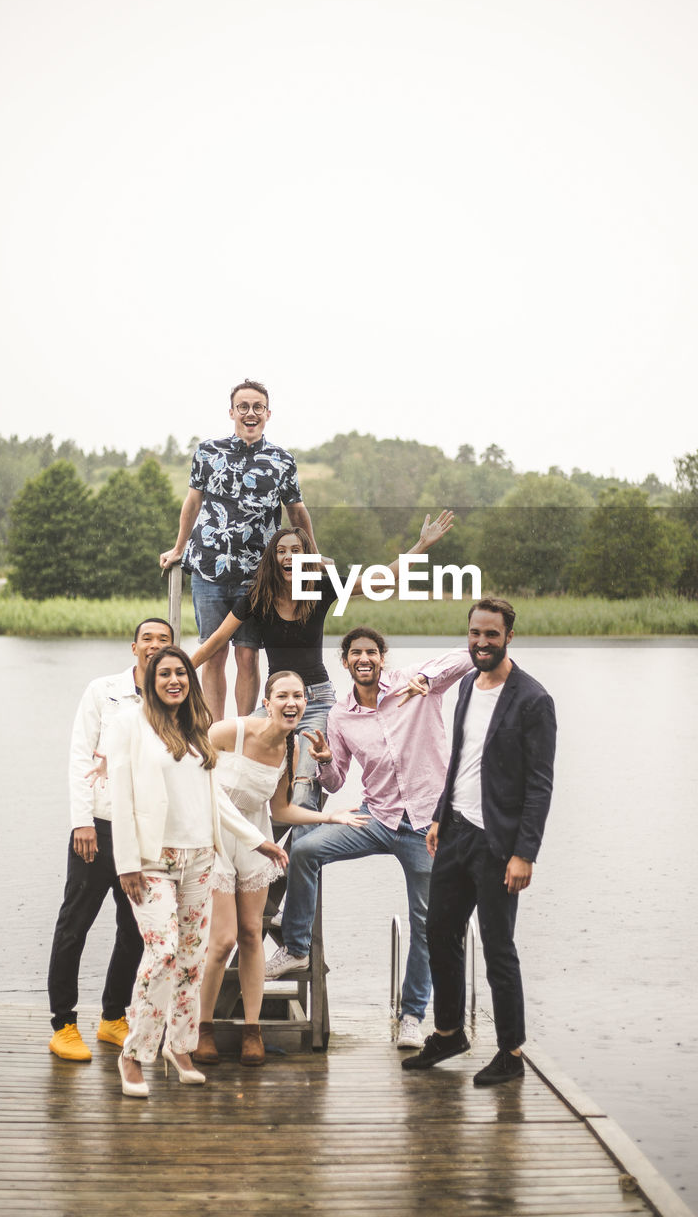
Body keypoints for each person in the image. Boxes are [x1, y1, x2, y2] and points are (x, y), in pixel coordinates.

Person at [265, 626, 473, 1050]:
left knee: (425, 923)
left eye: (371, 652)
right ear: (345, 661)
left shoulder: (414, 686)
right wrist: (323, 762)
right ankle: (297, 946)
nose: (364, 658)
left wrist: (431, 680)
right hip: (375, 817)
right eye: (355, 652)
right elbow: (337, 779)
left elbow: (468, 656)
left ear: (382, 657)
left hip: (426, 826)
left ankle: (412, 1016)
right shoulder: (340, 716)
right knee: (305, 849)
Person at [108, 645, 288, 1097]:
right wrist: (126, 863)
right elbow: (121, 797)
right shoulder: (131, 724)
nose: (174, 680)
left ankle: (181, 1045)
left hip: (200, 861)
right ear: (150, 679)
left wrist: (257, 840)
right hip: (152, 862)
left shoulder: (195, 729)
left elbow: (217, 800)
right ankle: (133, 1054)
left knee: (190, 960)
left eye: (181, 673)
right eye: (164, 673)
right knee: (164, 952)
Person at [190, 512, 454, 819]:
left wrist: (421, 544)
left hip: (316, 702)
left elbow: (380, 580)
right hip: (275, 702)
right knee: (238, 758)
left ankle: (296, 856)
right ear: (274, 559)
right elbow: (215, 642)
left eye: (296, 551)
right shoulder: (257, 596)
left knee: (304, 784)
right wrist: (168, 672)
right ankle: (251, 842)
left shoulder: (321, 587)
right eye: (281, 551)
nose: (288, 556)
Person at [402, 598, 556, 1086]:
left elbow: (540, 785)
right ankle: (448, 1033)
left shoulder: (533, 700)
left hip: (499, 844)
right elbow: (460, 758)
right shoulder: (468, 683)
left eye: (491, 634)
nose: (481, 643)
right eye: (475, 633)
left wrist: (524, 853)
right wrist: (439, 818)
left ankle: (510, 1052)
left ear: (509, 635)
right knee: (438, 933)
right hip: (457, 831)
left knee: (498, 948)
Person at [193, 671, 369, 1067]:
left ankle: (251, 1030)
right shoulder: (231, 732)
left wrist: (329, 819)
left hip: (257, 842)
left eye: (299, 697)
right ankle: (203, 1026)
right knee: (222, 940)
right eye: (283, 696)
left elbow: (279, 811)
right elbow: (192, 774)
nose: (292, 704)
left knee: (252, 933)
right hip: (215, 837)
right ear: (267, 701)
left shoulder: (289, 750)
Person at [46, 617, 174, 1062]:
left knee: (135, 929)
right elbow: (81, 754)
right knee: (74, 926)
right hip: (97, 828)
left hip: (141, 834)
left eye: (164, 640)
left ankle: (112, 1017)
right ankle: (63, 1024)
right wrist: (81, 820)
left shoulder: (171, 696)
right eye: (148, 639)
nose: (155, 646)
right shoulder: (103, 691)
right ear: (133, 647)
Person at [159, 379, 318, 720]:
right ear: (232, 412)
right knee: (213, 653)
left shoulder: (281, 460)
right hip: (208, 569)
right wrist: (178, 548)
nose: (250, 413)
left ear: (268, 414)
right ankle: (217, 732)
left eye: (257, 407)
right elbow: (192, 502)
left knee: (248, 655)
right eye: (243, 407)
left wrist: (312, 557)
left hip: (258, 576)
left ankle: (245, 729)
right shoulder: (207, 452)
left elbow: (296, 511)